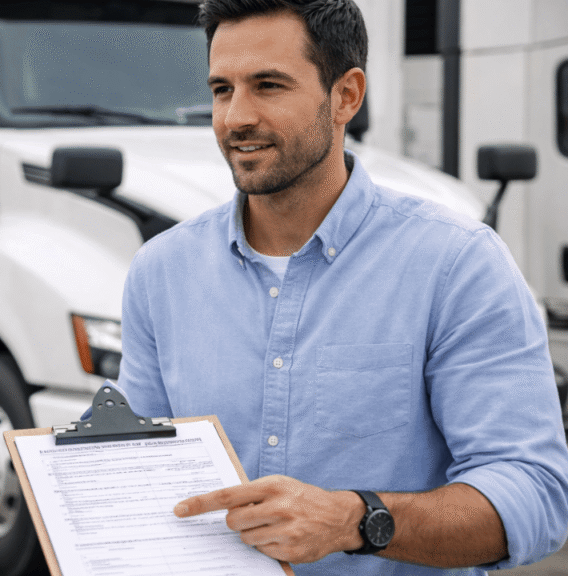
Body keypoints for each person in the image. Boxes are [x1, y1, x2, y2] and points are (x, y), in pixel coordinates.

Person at [117, 0, 568, 574]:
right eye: (222, 89)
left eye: (268, 85)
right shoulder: (162, 272)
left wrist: (356, 521)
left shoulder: (456, 265)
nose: (236, 117)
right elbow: (136, 468)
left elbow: (533, 496)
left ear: (346, 96)